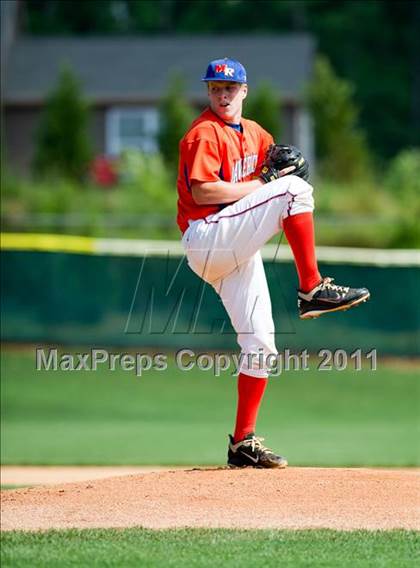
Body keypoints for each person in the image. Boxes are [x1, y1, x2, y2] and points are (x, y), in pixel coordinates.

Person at [176, 58, 370, 469]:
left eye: (230, 88)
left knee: (261, 343)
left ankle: (242, 444)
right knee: (293, 191)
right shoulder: (203, 134)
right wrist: (270, 183)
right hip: (207, 234)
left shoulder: (256, 134)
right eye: (215, 88)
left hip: (232, 247)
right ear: (209, 92)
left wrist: (286, 166)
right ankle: (312, 288)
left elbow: (278, 163)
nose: (222, 94)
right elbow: (205, 190)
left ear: (244, 91)